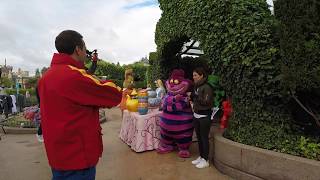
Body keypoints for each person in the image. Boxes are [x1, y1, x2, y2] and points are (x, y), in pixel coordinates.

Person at [38, 30, 122, 180]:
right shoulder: (74, 76)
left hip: (57, 153)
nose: (85, 53)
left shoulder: (46, 77)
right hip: (77, 156)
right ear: (78, 49)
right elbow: (113, 95)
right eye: (84, 48)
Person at [189, 67, 214, 169]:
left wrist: (195, 96)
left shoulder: (207, 87)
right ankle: (201, 157)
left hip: (204, 116)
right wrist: (192, 97)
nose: (193, 77)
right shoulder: (196, 86)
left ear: (201, 75)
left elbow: (206, 102)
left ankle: (206, 160)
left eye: (195, 75)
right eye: (193, 75)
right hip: (196, 115)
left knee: (204, 138)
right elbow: (195, 99)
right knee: (199, 138)